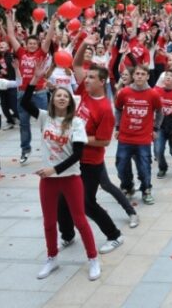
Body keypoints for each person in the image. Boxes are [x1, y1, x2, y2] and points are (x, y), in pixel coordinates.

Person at [20, 61, 100, 281]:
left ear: (70, 101)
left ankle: (93, 259)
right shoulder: (44, 117)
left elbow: (77, 155)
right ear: (53, 99)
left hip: (69, 177)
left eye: (66, 96)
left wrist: (53, 169)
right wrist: (35, 79)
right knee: (48, 222)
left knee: (80, 221)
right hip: (48, 180)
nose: (62, 98)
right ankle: (52, 258)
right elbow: (24, 102)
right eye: (58, 95)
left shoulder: (76, 123)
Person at [57, 40, 125, 255]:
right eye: (87, 77)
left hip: (90, 163)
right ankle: (67, 235)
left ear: (102, 82)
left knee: (86, 203)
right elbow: (76, 65)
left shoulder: (105, 109)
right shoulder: (85, 92)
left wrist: (79, 138)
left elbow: (104, 141)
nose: (86, 79)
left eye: (92, 77)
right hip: (72, 158)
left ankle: (114, 235)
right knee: (62, 199)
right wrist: (84, 42)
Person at [7, 11, 57, 164]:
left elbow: (48, 38)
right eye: (30, 43)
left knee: (45, 123)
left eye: (35, 43)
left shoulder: (42, 53)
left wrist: (53, 22)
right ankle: (25, 150)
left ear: (38, 45)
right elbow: (11, 36)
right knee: (24, 123)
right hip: (23, 93)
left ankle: (49, 149)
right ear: (26, 44)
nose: (32, 45)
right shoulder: (21, 52)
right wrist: (9, 18)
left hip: (39, 92)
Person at [114, 65, 162, 205]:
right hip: (125, 137)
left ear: (147, 76)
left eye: (143, 74)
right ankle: (128, 186)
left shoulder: (153, 94)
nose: (140, 76)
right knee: (121, 165)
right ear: (133, 76)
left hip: (143, 138)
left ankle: (146, 190)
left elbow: (160, 112)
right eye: (137, 74)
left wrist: (155, 128)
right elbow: (118, 109)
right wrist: (117, 127)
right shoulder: (124, 92)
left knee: (144, 167)